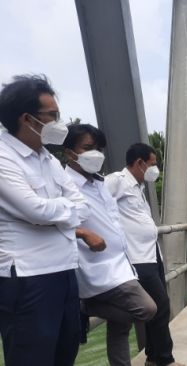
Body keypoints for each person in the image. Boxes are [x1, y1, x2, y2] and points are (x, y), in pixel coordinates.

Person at [0, 74, 104, 365]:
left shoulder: (46, 157)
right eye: (53, 115)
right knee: (31, 357)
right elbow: (35, 210)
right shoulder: (4, 156)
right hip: (29, 278)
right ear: (27, 118)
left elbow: (81, 207)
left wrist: (51, 213)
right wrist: (57, 212)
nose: (59, 123)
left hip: (64, 272)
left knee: (64, 353)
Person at [63, 124, 157, 366]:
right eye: (87, 148)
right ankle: (86, 306)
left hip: (121, 263)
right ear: (69, 152)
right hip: (97, 269)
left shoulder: (99, 183)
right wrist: (82, 232)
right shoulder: (64, 184)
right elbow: (50, 220)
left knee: (121, 325)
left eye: (98, 149)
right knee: (147, 309)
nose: (95, 154)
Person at [105, 143, 183, 366]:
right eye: (152, 164)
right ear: (139, 163)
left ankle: (152, 357)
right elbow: (94, 207)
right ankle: (164, 359)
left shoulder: (137, 187)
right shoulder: (116, 181)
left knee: (155, 308)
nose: (154, 169)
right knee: (160, 305)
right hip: (136, 258)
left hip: (151, 254)